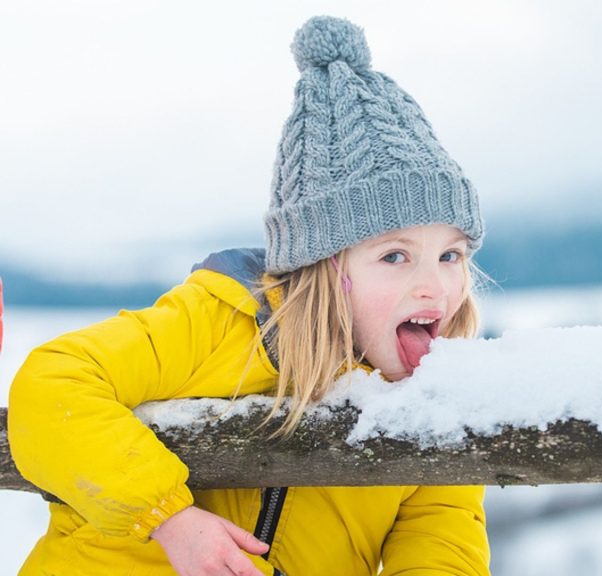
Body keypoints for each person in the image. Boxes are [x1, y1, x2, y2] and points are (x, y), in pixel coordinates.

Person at [8, 16, 489, 576]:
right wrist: (171, 520)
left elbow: (442, 543)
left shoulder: (438, 397)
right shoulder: (220, 321)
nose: (435, 285)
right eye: (394, 257)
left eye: (451, 255)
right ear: (325, 268)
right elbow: (51, 386)